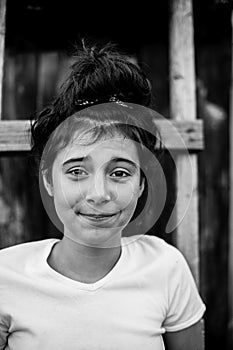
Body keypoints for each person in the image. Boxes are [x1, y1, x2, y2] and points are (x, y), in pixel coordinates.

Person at [0, 43, 206, 350]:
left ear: (141, 184)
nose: (99, 194)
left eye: (120, 173)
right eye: (77, 172)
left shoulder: (166, 268)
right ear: (49, 179)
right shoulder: (6, 277)